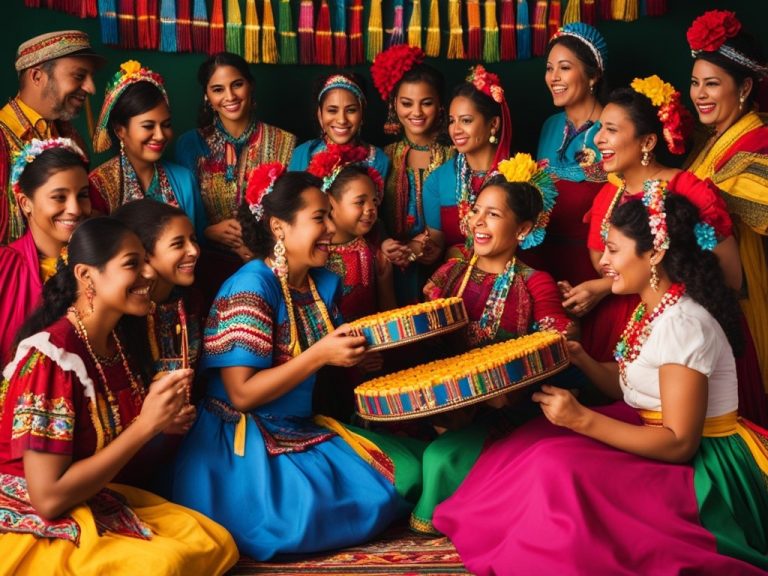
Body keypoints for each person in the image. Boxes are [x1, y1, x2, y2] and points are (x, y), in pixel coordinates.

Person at [434, 190, 768, 575]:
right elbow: (634, 387)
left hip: (702, 468)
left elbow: (679, 442)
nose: (603, 262)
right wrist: (582, 359)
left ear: (655, 254)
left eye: (612, 250)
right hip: (650, 430)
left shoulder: (683, 325)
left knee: (556, 469)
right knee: (531, 443)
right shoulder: (653, 306)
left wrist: (581, 420)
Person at [170, 165, 424, 560]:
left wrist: (358, 357)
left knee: (407, 470)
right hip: (244, 439)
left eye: (329, 215)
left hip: (299, 426)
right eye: (318, 218)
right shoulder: (252, 286)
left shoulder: (319, 284)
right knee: (302, 519)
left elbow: (336, 353)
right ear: (279, 228)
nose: (329, 227)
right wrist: (321, 354)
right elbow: (241, 394)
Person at [0, 217, 238, 574]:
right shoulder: (50, 359)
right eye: (132, 264)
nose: (149, 273)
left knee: (214, 540)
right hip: (30, 511)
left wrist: (162, 425)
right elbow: (48, 499)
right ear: (86, 275)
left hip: (91, 496)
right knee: (164, 565)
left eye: (146, 260)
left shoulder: (116, 343)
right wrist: (145, 426)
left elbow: (112, 449)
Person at [584, 76, 767, 424]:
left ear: (648, 141)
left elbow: (730, 277)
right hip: (626, 333)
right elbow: (605, 266)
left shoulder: (689, 190)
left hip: (686, 336)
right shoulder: (607, 196)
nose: (598, 139)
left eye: (610, 129)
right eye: (598, 129)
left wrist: (666, 311)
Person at [411, 153, 571, 534]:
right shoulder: (450, 274)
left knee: (439, 460)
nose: (478, 222)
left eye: (494, 215)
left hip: (503, 414)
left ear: (523, 229)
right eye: (477, 210)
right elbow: (420, 340)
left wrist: (508, 389)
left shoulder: (535, 283)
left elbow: (557, 343)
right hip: (436, 406)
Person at [684, 9, 768, 403]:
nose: (699, 94)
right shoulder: (711, 142)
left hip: (746, 295)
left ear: (745, 87)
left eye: (712, 84)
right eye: (695, 82)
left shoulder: (757, 141)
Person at [175, 52, 296, 297]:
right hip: (206, 266)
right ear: (207, 97)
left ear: (250, 85)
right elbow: (181, 211)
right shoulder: (190, 145)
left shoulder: (285, 142)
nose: (230, 97)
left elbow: (292, 211)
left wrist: (262, 245)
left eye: (237, 85)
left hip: (271, 265)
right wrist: (207, 231)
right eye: (218, 89)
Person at [307, 144, 392, 420]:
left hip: (370, 363)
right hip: (327, 372)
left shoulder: (369, 249)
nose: (370, 210)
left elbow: (386, 313)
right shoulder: (315, 257)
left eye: (374, 202)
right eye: (360, 202)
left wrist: (386, 276)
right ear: (330, 204)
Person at [523, 23, 608, 295]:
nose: (554, 77)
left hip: (593, 271)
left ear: (593, 76)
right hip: (546, 269)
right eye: (549, 68)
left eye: (565, 67)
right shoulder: (549, 126)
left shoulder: (613, 125)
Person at [0, 30, 103, 244]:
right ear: (37, 76)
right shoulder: (3, 138)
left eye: (91, 77)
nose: (91, 88)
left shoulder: (71, 136)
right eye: (79, 76)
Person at [370, 44, 454, 304]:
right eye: (407, 103)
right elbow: (371, 216)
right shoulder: (383, 157)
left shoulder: (455, 156)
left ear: (441, 105)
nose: (416, 113)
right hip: (393, 267)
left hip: (446, 265)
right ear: (394, 104)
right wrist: (387, 245)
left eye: (426, 103)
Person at [89, 61, 207, 241]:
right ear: (120, 130)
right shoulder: (99, 186)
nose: (160, 135)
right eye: (148, 126)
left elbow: (198, 242)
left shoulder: (184, 180)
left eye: (166, 125)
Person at [0, 138, 90, 366]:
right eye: (59, 197)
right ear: (24, 203)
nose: (75, 209)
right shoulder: (4, 268)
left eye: (82, 195)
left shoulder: (102, 262)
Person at [422, 65, 512, 254]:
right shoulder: (438, 180)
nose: (455, 130)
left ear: (494, 124)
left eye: (466, 120)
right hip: (457, 278)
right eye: (452, 120)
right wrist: (417, 249)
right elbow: (436, 243)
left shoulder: (521, 175)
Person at [287, 71, 390, 180]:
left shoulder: (378, 160)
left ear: (362, 114)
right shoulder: (302, 154)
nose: (342, 120)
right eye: (332, 110)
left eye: (351, 110)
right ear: (320, 115)